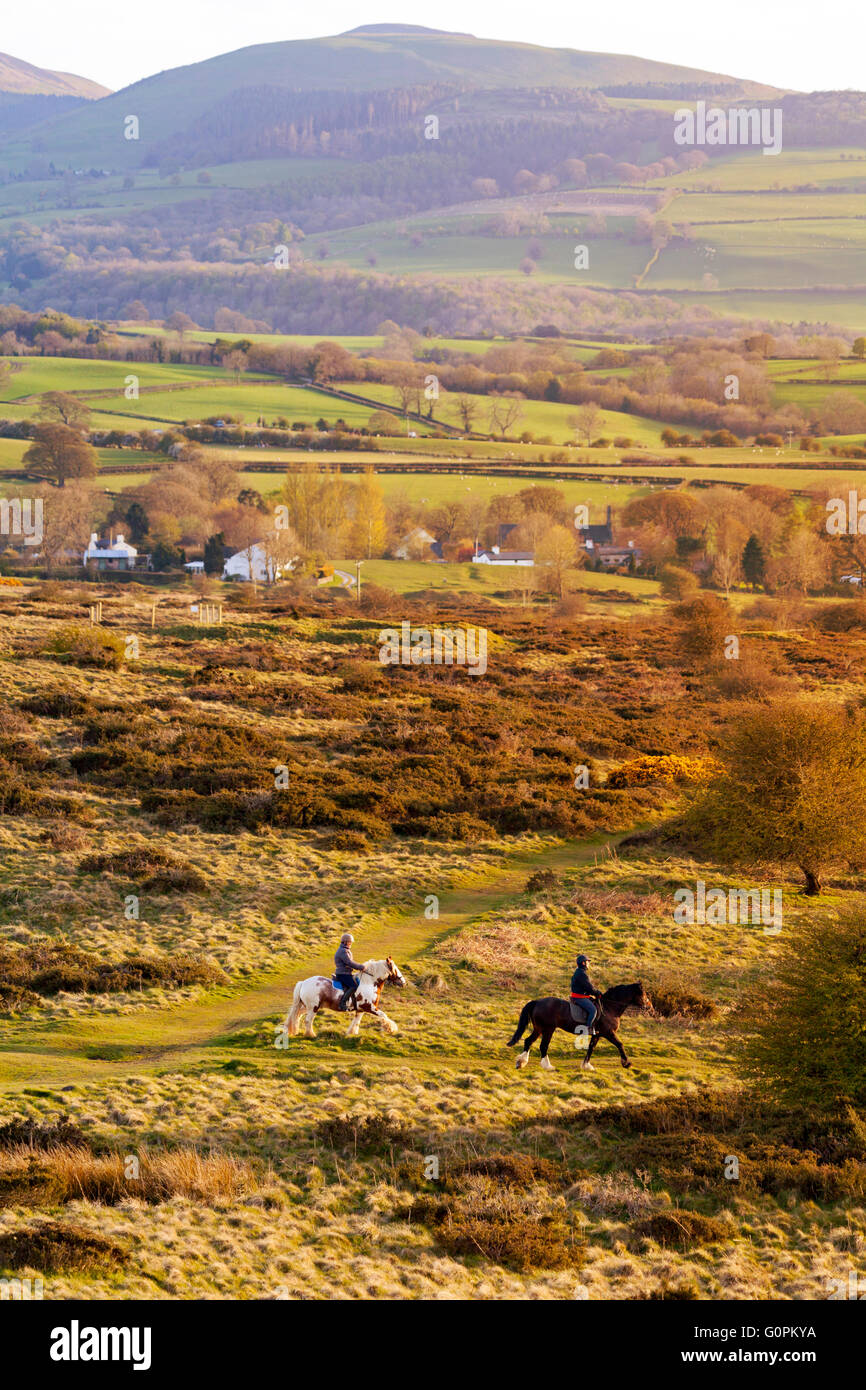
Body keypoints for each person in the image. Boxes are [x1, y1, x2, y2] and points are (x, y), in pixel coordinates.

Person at [570, 953, 602, 1034]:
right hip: (579, 997)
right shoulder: (582, 974)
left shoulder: (579, 972)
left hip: (581, 996)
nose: (589, 963)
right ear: (583, 963)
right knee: (593, 1010)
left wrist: (593, 992)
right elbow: (589, 987)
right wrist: (597, 993)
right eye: (587, 962)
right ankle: (588, 1029)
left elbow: (586, 987)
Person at [334, 932, 365, 1011]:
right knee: (354, 986)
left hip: (346, 973)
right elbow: (349, 962)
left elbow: (349, 963)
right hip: (343, 974)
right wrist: (360, 967)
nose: (351, 943)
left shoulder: (345, 950)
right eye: (350, 942)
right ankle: (342, 1004)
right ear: (345, 942)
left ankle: (353, 1004)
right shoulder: (343, 951)